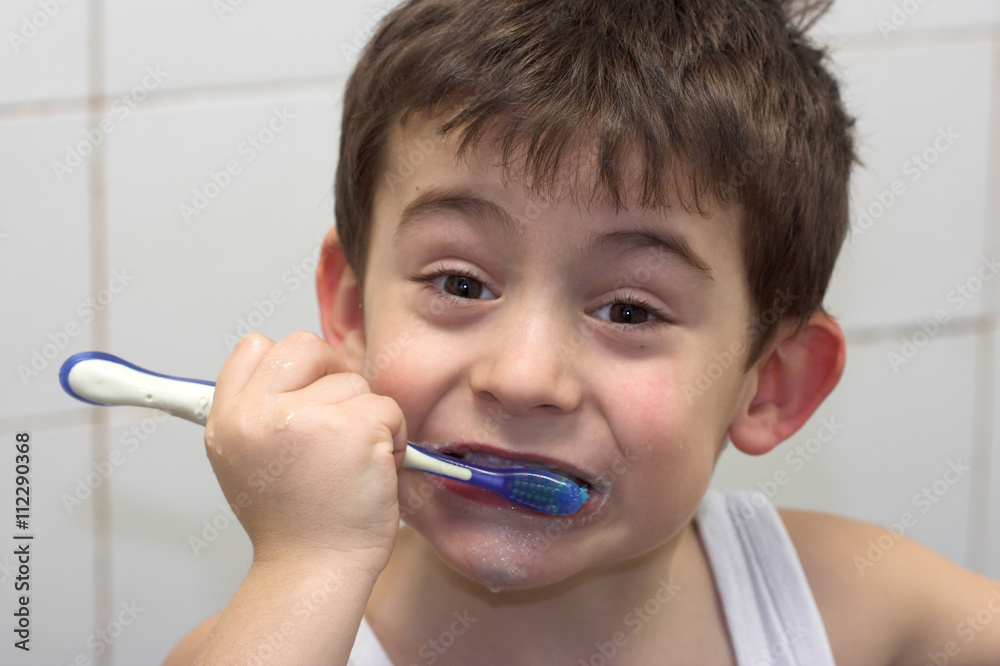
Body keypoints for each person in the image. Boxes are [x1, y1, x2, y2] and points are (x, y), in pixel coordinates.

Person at [165, 0, 1000, 663]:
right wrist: (306, 569)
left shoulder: (854, 606)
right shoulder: (269, 637)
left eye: (630, 311)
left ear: (771, 382)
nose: (523, 377)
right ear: (352, 313)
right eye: (461, 284)